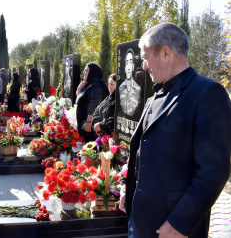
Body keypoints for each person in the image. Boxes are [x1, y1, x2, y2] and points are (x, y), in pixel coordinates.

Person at [119, 22, 231, 238]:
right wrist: (129, 188)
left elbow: (213, 170)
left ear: (165, 53)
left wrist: (180, 224)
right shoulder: (153, 98)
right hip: (140, 221)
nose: (143, 66)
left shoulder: (208, 94)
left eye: (145, 57)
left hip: (173, 228)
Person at [75, 63, 108, 142]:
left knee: (92, 145)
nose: (84, 72)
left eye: (86, 70)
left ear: (92, 72)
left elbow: (94, 104)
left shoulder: (96, 85)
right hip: (86, 122)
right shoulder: (90, 83)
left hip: (92, 125)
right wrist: (79, 89)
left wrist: (89, 121)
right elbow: (79, 99)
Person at [118, 49, 141, 116]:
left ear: (133, 66)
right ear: (125, 67)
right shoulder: (121, 87)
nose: (128, 67)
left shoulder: (137, 88)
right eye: (127, 63)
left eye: (130, 63)